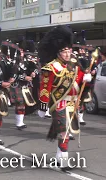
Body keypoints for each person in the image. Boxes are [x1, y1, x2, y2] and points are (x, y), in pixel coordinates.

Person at [37, 25, 92, 171]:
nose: (67, 54)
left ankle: (58, 158)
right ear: (58, 52)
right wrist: (43, 106)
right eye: (64, 51)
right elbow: (45, 87)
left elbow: (78, 82)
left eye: (69, 51)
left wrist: (86, 79)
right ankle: (64, 162)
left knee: (66, 132)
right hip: (59, 102)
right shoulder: (51, 67)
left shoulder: (74, 65)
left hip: (72, 103)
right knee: (64, 132)